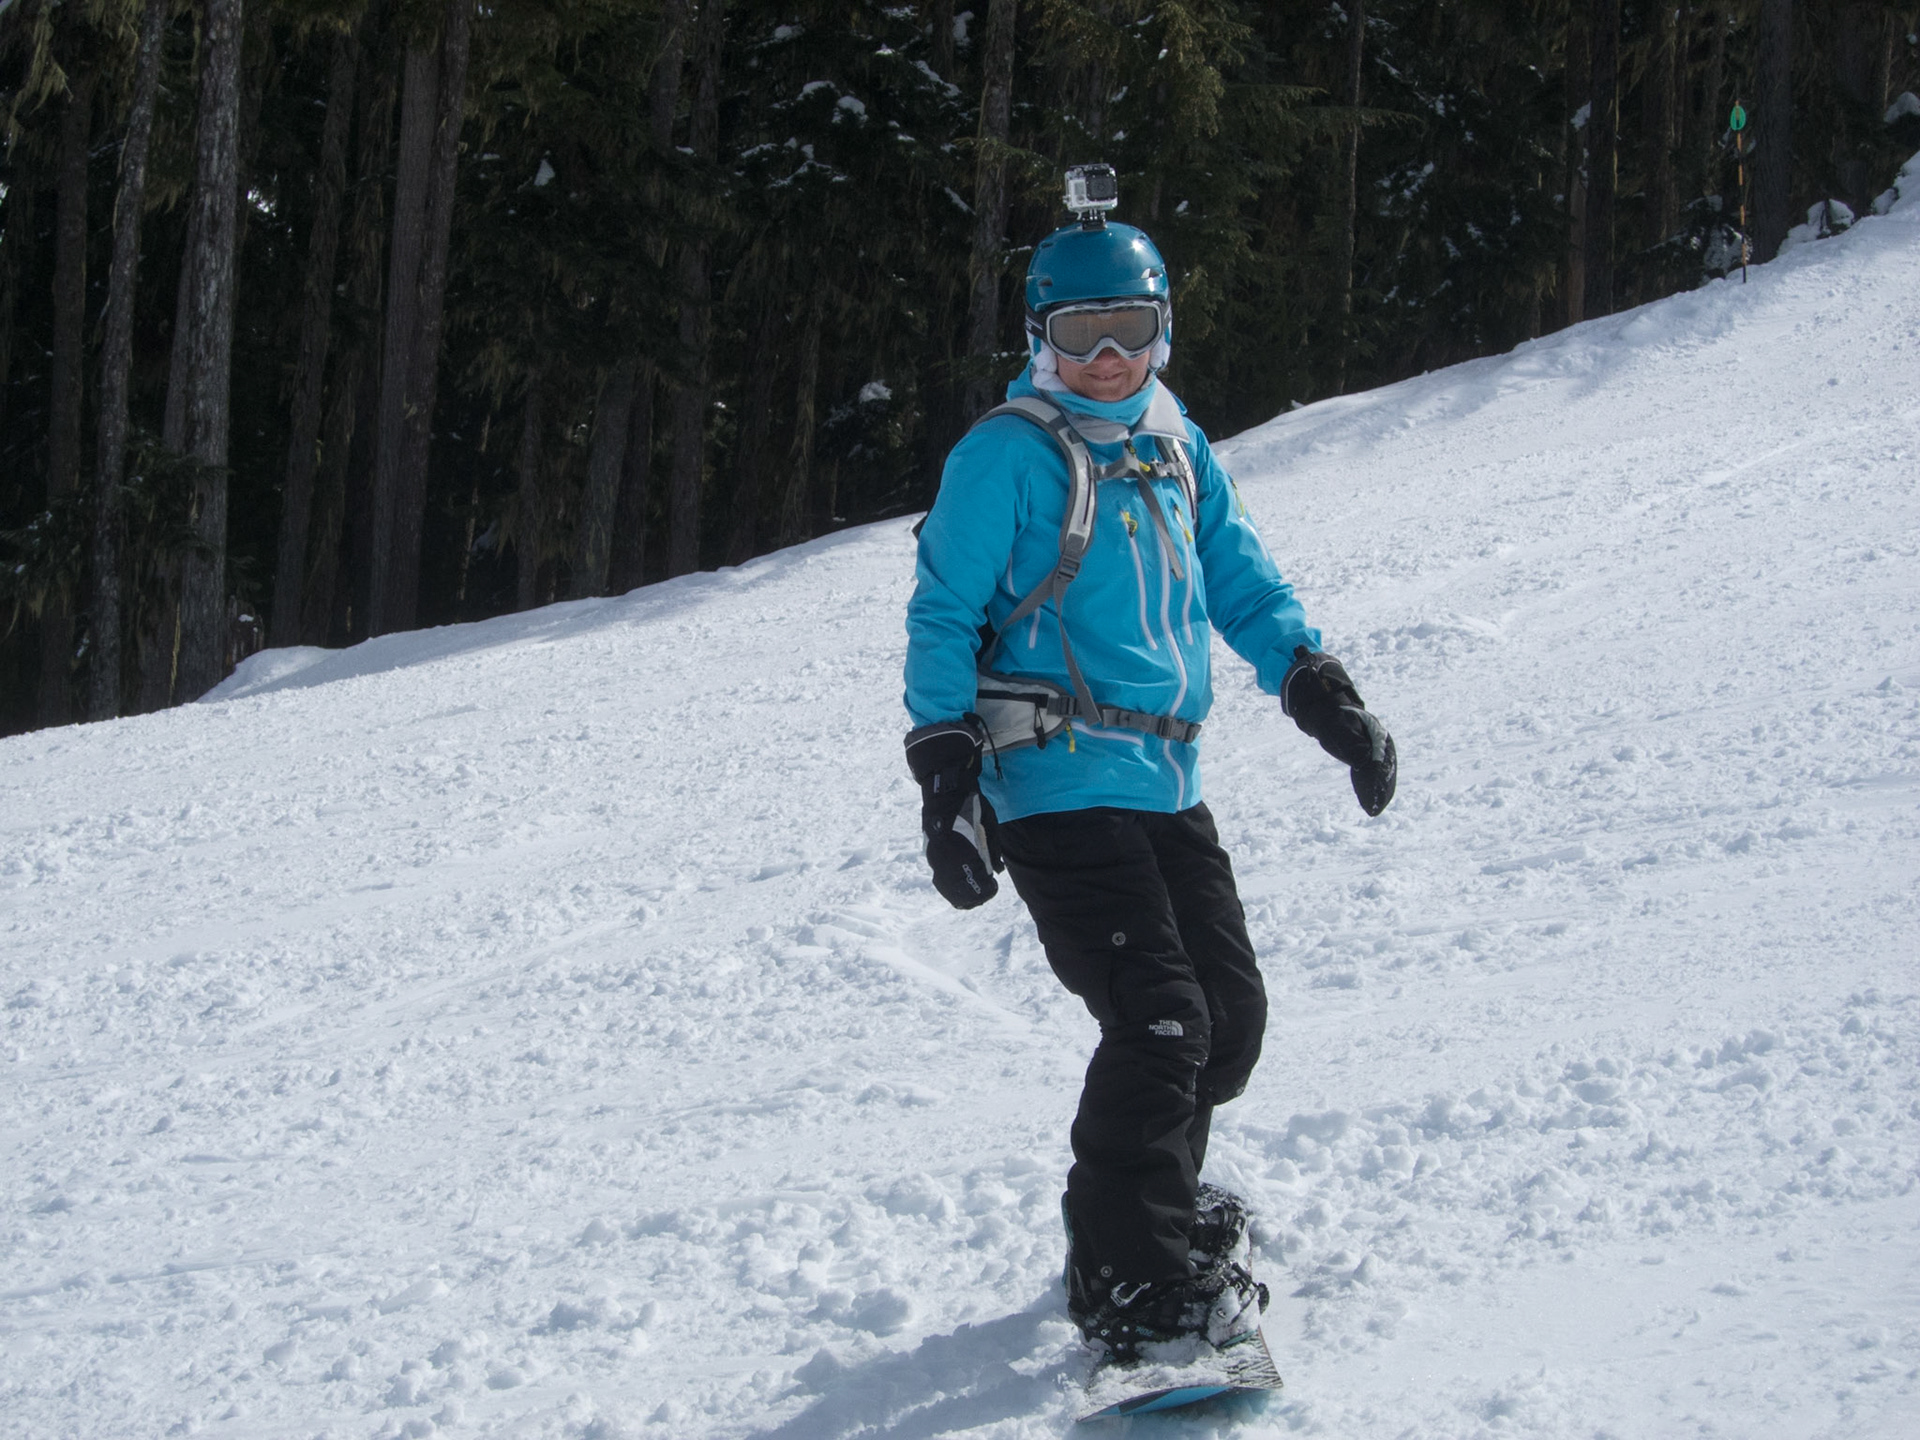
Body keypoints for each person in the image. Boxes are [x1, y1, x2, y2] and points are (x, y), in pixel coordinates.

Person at [901, 175, 1397, 1363]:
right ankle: (1128, 1281)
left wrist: (1315, 683)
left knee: (1227, 1021)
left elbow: (1238, 574)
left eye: (1131, 329)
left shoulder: (1175, 447)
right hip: (1058, 784)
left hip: (1167, 782)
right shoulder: (1004, 458)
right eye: (1081, 334)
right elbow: (942, 615)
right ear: (1039, 336)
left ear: (1166, 325)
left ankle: (1158, 1212)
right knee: (1161, 1020)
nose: (1111, 356)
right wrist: (946, 777)